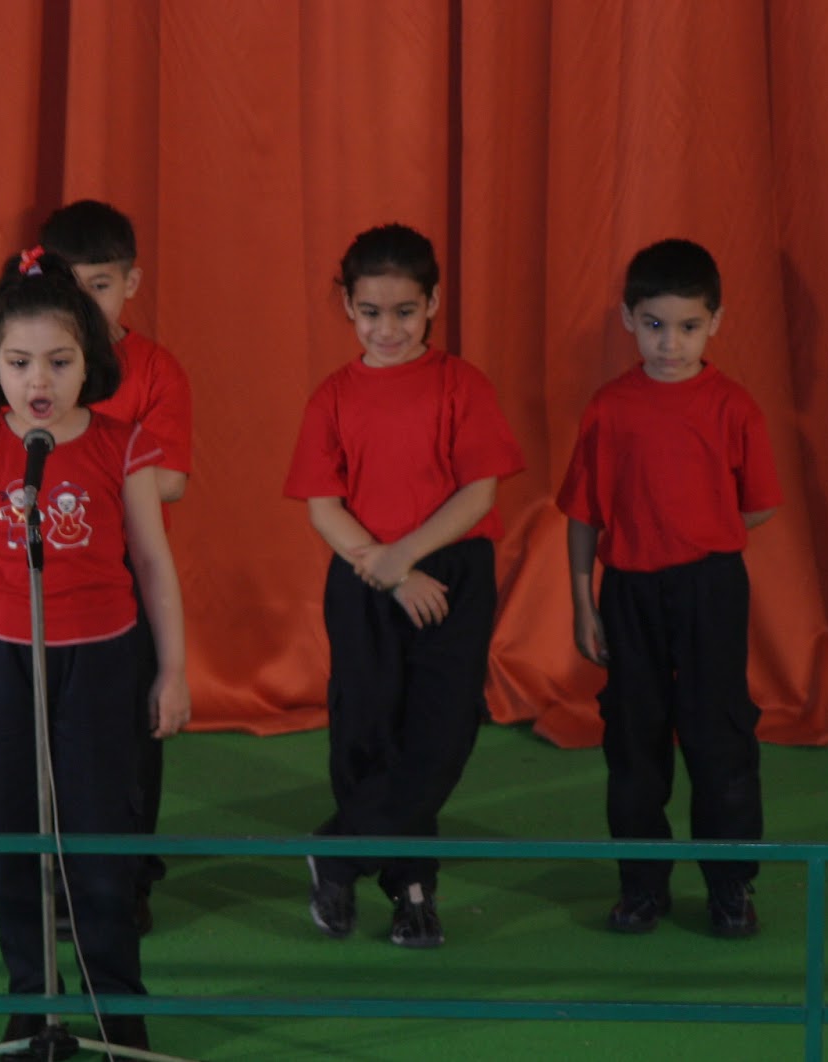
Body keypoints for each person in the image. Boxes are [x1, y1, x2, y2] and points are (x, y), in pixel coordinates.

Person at [0, 248, 190, 1054]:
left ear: (89, 364)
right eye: (18, 363)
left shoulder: (124, 446)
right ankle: (31, 1007)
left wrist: (173, 670)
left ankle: (118, 1010)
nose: (38, 381)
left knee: (98, 841)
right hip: (5, 662)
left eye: (59, 361)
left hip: (104, 663)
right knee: (14, 838)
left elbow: (153, 564)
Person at [283, 223, 525, 949]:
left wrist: (410, 558)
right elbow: (324, 504)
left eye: (405, 312)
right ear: (348, 307)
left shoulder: (462, 385)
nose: (387, 329)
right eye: (370, 313)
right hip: (364, 577)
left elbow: (479, 492)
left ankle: (339, 848)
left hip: (450, 575)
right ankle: (411, 890)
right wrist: (385, 571)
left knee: (439, 734)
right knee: (364, 732)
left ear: (434, 303)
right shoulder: (332, 396)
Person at [556, 237, 782, 938]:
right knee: (633, 738)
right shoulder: (609, 409)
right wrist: (582, 599)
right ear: (628, 319)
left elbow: (762, 503)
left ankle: (730, 884)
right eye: (655, 325)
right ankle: (642, 884)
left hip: (711, 587)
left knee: (719, 737)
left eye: (688, 326)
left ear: (716, 321)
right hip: (628, 593)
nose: (671, 343)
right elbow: (584, 511)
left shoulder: (734, 407)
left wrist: (705, 534)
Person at [38, 199, 193, 933]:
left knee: (128, 739)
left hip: (126, 580)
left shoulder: (156, 368)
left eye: (100, 284)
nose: (84, 300)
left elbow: (173, 477)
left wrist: (92, 469)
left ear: (131, 283)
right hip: (47, 576)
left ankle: (127, 875)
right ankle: (57, 873)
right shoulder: (30, 357)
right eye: (69, 283)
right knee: (52, 736)